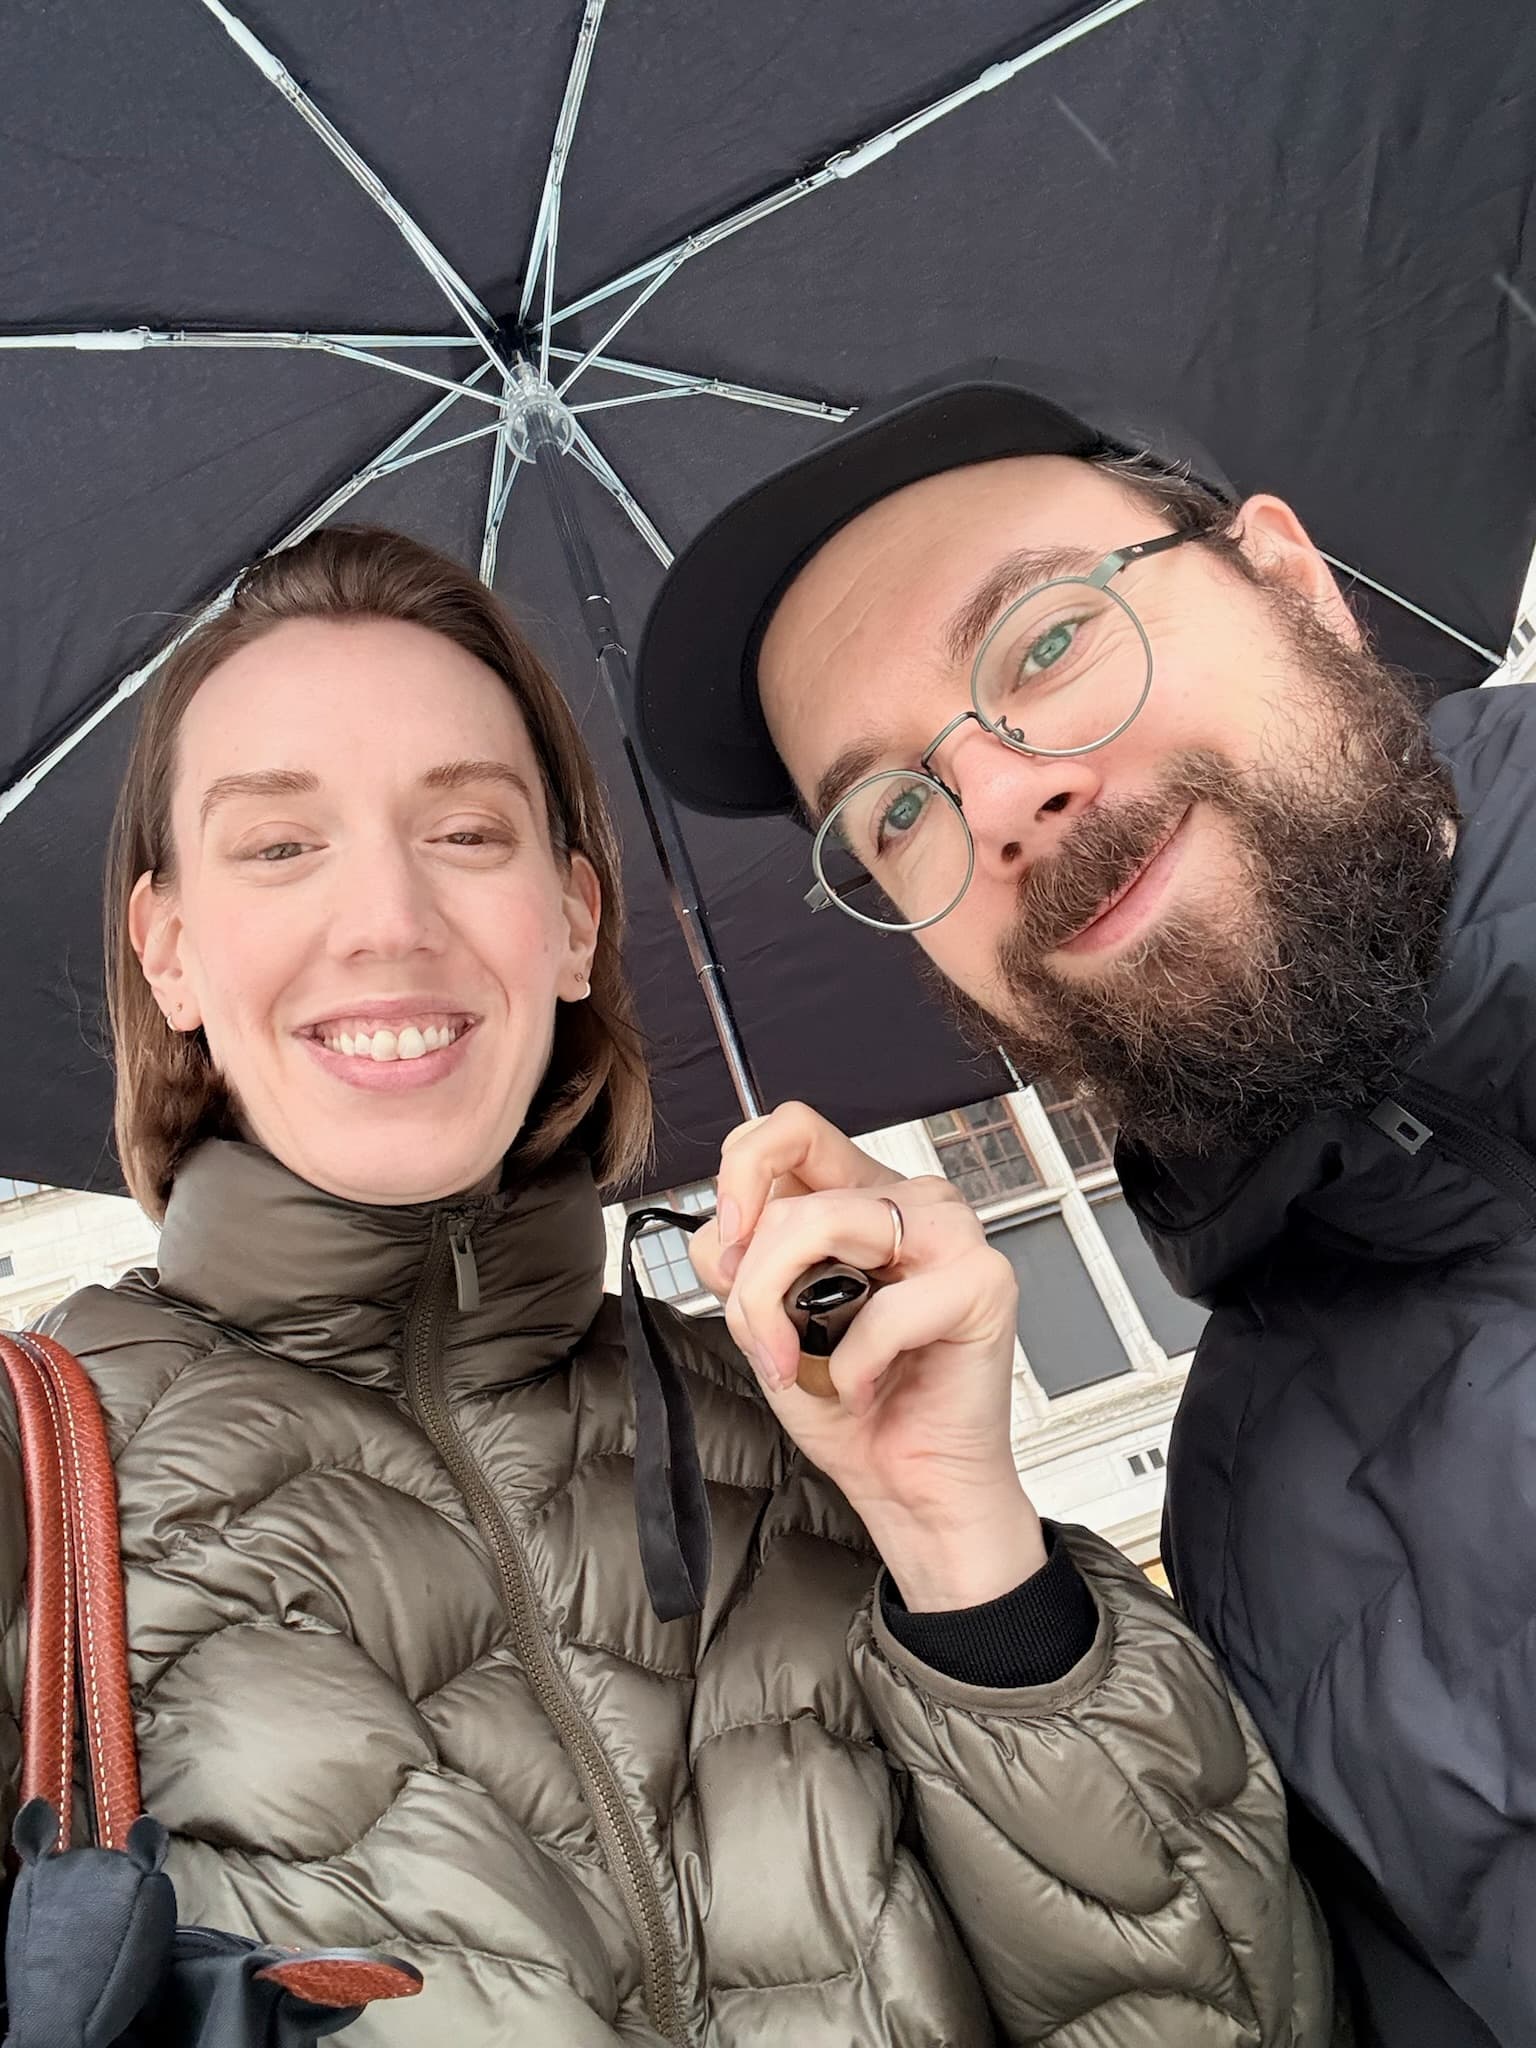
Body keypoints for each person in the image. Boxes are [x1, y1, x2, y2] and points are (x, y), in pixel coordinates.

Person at [0, 526, 1331, 2046]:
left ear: (574, 920)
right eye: (281, 846)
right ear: (169, 949)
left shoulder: (798, 1419)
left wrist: (965, 1547)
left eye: (468, 831)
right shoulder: (30, 1508)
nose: (387, 921)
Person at [634, 360, 1536, 2048]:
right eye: (896, 811)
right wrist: (969, 1562)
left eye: (1046, 642)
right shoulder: (1262, 1545)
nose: (998, 799)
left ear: (1294, 585)